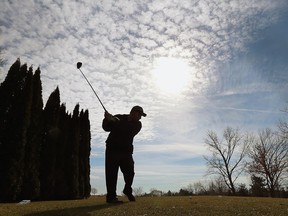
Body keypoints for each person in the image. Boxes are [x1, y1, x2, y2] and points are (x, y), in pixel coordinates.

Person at [102, 105, 146, 204]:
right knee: (111, 174)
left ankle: (127, 190)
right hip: (112, 150)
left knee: (130, 172)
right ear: (134, 112)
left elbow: (127, 130)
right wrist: (107, 119)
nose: (140, 117)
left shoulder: (138, 125)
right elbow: (106, 128)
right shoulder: (119, 117)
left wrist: (115, 121)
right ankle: (111, 197)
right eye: (140, 115)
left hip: (126, 152)